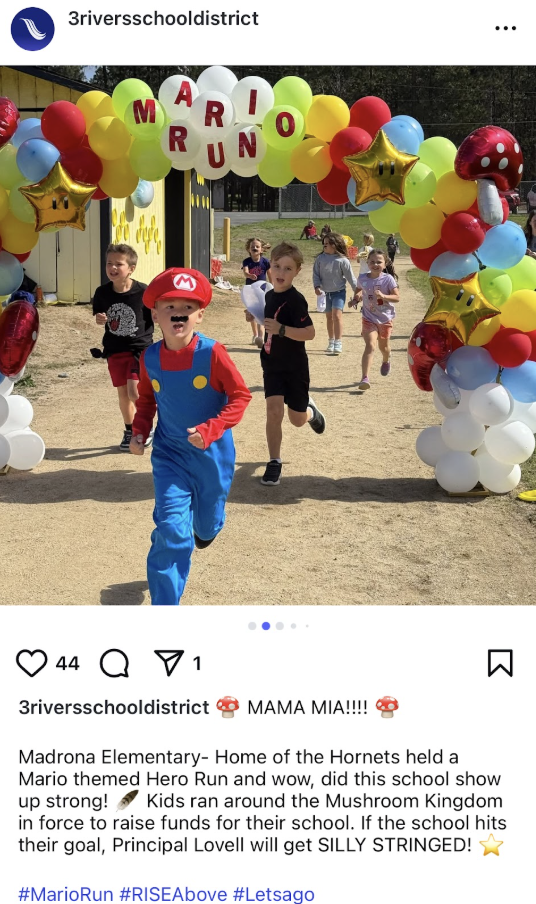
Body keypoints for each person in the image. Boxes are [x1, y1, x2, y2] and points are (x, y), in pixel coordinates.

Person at [129, 268, 251, 606]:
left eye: (187, 307)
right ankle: (165, 606)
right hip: (170, 455)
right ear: (155, 315)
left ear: (199, 315)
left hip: (213, 457)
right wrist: (140, 431)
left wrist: (210, 429)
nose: (178, 313)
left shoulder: (212, 353)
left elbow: (240, 396)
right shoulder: (150, 357)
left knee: (207, 526)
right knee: (171, 529)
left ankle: (207, 527)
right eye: (169, 306)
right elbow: (147, 399)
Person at [246, 241, 326, 487]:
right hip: (271, 364)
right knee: (273, 411)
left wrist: (282, 329)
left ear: (297, 271)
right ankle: (274, 461)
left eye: (288, 268)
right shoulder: (269, 295)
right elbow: (267, 318)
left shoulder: (296, 300)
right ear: (270, 267)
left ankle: (310, 411)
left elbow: (310, 333)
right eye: (277, 266)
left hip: (294, 367)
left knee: (296, 420)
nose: (281, 272)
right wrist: (253, 314)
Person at [92, 243, 154, 451]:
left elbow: (155, 317)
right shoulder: (102, 292)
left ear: (131, 268)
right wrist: (100, 318)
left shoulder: (144, 292)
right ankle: (130, 430)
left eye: (119, 264)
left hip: (139, 349)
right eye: (109, 263)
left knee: (134, 391)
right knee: (123, 393)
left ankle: (145, 427)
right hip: (115, 349)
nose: (113, 267)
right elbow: (99, 315)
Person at [349, 248, 400, 391]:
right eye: (372, 262)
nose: (375, 264)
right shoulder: (362, 278)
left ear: (385, 264)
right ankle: (364, 378)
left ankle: (386, 359)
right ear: (367, 263)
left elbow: (397, 297)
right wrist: (355, 299)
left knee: (384, 348)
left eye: (379, 262)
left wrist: (384, 296)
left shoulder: (388, 279)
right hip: (368, 317)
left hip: (385, 319)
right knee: (370, 346)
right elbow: (359, 290)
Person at [312, 232, 359, 356]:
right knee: (329, 317)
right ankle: (331, 341)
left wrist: (358, 292)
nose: (325, 245)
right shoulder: (320, 259)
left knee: (337, 316)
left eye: (328, 243)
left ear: (335, 244)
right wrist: (316, 286)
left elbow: (351, 278)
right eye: (324, 243)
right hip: (326, 294)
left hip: (339, 293)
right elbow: (316, 274)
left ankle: (338, 342)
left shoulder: (343, 260)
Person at [242, 237, 272, 348]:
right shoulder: (247, 261)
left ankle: (260, 336)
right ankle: (255, 335)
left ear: (261, 249)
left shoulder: (265, 262)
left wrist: (272, 287)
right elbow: (245, 272)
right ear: (249, 249)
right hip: (250, 291)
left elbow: (270, 275)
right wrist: (249, 275)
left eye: (257, 246)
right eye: (252, 247)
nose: (255, 248)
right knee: (252, 313)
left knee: (261, 313)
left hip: (262, 291)